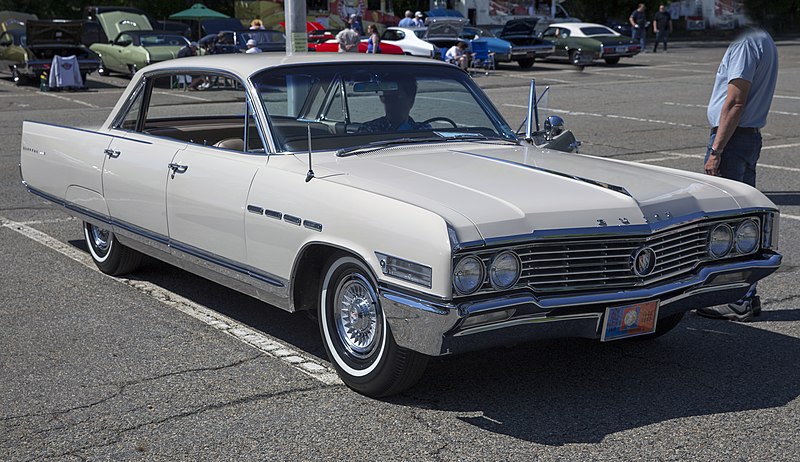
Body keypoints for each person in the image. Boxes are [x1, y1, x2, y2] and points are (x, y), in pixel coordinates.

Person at [696, 28, 779, 322]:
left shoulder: (745, 42)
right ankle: (745, 296)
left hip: (732, 138)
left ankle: (738, 299)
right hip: (747, 137)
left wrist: (716, 150)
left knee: (728, 224)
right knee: (743, 222)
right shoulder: (763, 38)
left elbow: (735, 101)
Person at [357, 78, 432, 132]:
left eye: (395, 98)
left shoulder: (424, 130)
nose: (389, 103)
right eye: (386, 98)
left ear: (411, 99)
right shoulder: (369, 130)